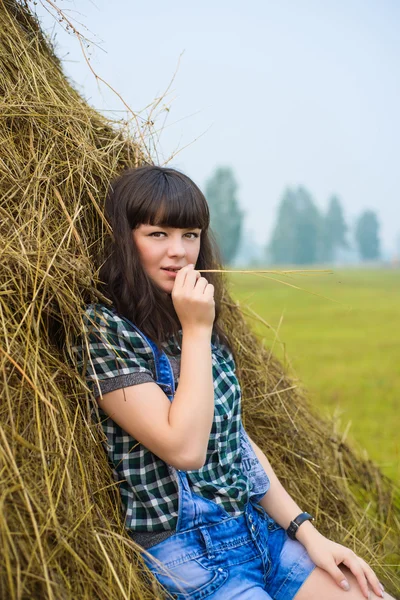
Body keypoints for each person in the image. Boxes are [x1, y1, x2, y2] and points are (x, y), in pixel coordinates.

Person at [72, 165, 392, 600]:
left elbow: (233, 440)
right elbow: (184, 449)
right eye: (157, 234)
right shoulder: (105, 330)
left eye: (190, 234)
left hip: (256, 533)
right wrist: (197, 330)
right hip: (187, 556)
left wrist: (309, 534)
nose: (179, 252)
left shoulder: (191, 318)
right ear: (125, 238)